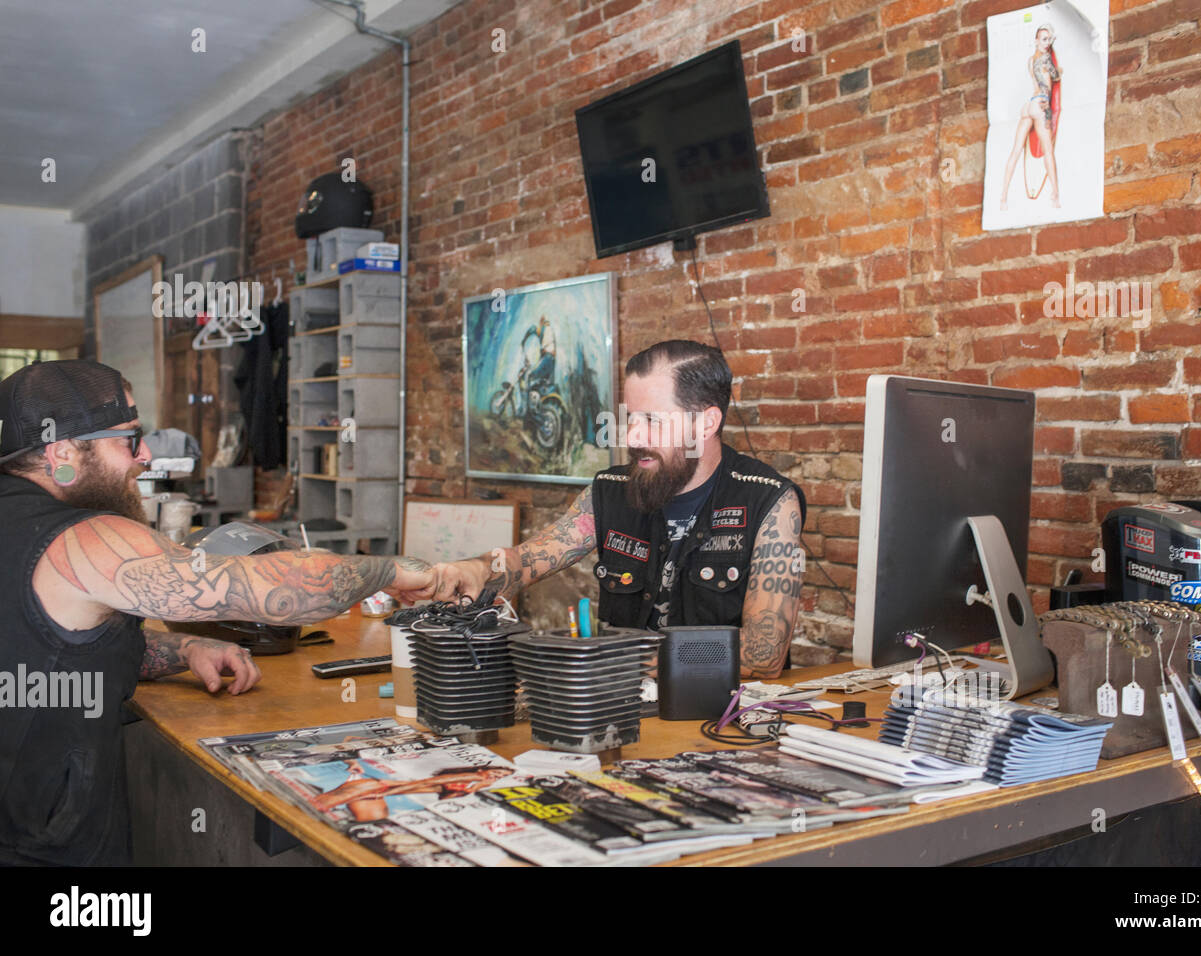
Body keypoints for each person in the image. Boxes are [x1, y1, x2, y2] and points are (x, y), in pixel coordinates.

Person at [0, 359, 437, 865]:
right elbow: (278, 589)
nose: (144, 456)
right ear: (64, 452)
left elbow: (51, 644)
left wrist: (186, 646)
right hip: (39, 843)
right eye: (129, 438)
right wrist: (396, 572)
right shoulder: (85, 538)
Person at [429, 340, 806, 678]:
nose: (632, 437)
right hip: (622, 714)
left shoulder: (768, 501)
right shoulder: (611, 491)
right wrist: (473, 571)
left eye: (652, 421)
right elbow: (527, 560)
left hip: (715, 722)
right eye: (630, 419)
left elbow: (763, 655)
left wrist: (615, 656)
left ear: (706, 422)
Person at [999, 24, 1063, 210]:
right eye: (1044, 39)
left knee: (1016, 150)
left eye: (1049, 39)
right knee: (1048, 152)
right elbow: (1055, 78)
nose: (1047, 43)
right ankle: (1055, 196)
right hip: (1040, 103)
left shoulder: (1030, 60)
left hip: (1028, 104)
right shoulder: (1045, 59)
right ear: (1036, 41)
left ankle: (1003, 197)